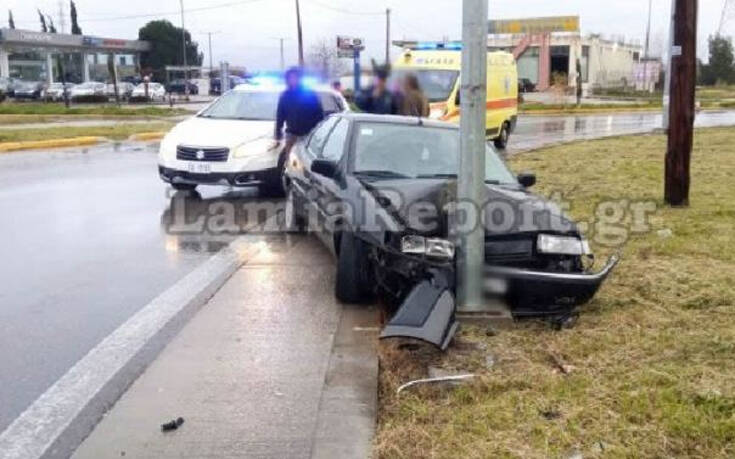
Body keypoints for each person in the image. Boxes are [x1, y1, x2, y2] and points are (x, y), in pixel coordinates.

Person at [274, 67, 325, 157]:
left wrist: (317, 130)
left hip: (309, 134)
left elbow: (319, 114)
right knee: (290, 159)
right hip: (292, 134)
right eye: (290, 78)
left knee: (309, 158)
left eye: (295, 77)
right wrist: (278, 132)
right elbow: (280, 115)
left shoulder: (309, 94)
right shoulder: (285, 96)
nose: (293, 80)